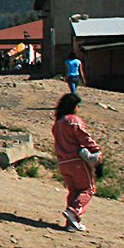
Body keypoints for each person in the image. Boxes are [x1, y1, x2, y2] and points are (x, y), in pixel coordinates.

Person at [51, 92, 103, 232]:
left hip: (63, 163)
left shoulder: (58, 123)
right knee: (88, 189)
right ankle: (74, 212)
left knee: (74, 191)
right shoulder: (73, 120)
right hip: (77, 161)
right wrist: (97, 154)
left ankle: (71, 223)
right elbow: (85, 138)